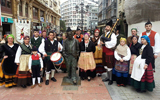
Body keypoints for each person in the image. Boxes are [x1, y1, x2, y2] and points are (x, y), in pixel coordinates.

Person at [98, 20, 117, 85]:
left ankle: (111, 79)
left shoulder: (113, 34)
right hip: (104, 51)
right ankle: (108, 77)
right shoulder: (103, 34)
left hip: (109, 52)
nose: (106, 28)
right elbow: (100, 40)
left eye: (108, 27)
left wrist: (105, 43)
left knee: (109, 66)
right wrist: (100, 43)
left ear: (111, 28)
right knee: (106, 65)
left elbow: (113, 43)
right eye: (106, 27)